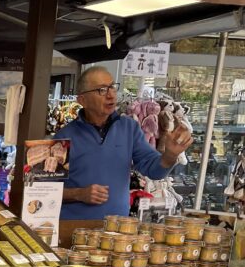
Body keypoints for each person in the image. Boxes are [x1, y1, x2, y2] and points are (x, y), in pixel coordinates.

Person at [56, 66, 192, 221]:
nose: (111, 95)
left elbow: (153, 170)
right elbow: (44, 191)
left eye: (112, 87)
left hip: (118, 227)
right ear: (82, 100)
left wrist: (170, 155)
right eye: (102, 90)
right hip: (74, 228)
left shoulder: (129, 128)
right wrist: (78, 194)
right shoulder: (64, 137)